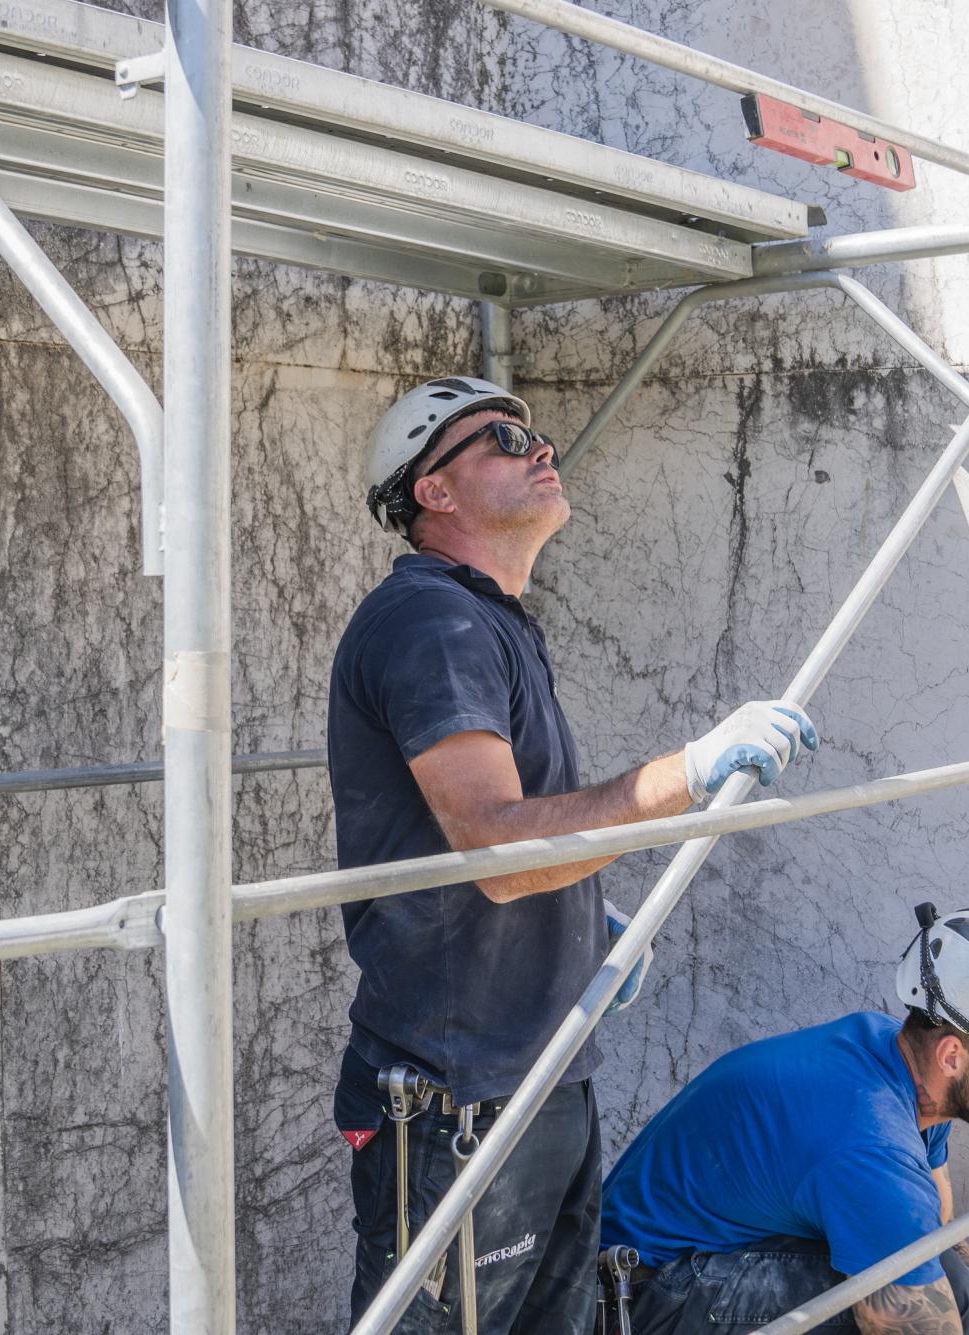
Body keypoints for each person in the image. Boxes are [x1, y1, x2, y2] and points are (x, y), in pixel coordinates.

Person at [329, 375, 822, 1334]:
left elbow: (498, 851)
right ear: (434, 491)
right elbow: (496, 849)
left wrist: (582, 922)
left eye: (536, 429)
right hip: (456, 1096)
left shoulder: (493, 619)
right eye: (503, 436)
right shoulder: (433, 622)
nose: (538, 444)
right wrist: (689, 769)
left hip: (542, 1065)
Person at [598, 904, 969, 1335]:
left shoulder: (903, 1063)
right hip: (639, 1299)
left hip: (700, 1265)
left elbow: (939, 1233)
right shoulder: (871, 1145)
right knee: (887, 1309)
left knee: (946, 1282)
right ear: (952, 1057)